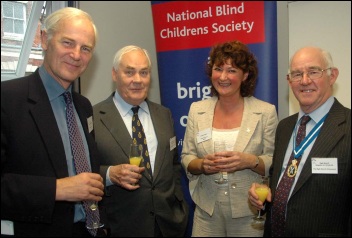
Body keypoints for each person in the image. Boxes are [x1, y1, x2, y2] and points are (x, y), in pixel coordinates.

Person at [1, 7, 107, 237]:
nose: (76, 55)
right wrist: (57, 189)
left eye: (85, 48)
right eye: (68, 43)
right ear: (44, 39)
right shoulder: (7, 100)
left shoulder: (84, 106)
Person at [248, 46, 351, 237]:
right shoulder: (285, 127)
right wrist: (263, 192)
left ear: (332, 75)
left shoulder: (347, 127)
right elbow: (284, 180)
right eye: (297, 74)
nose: (304, 81)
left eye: (313, 71)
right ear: (289, 81)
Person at [181, 40, 279, 237]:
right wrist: (201, 165)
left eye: (232, 70)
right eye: (218, 69)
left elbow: (273, 161)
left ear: (245, 75)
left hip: (249, 213)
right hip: (206, 211)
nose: (223, 77)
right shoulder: (197, 110)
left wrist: (249, 161)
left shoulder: (265, 112)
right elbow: (186, 156)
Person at [93, 45, 189, 237]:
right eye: (129, 72)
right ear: (114, 74)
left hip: (168, 225)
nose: (137, 80)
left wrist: (179, 205)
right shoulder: (93, 117)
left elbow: (173, 165)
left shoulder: (163, 114)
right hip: (120, 225)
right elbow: (81, 169)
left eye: (143, 72)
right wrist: (110, 174)